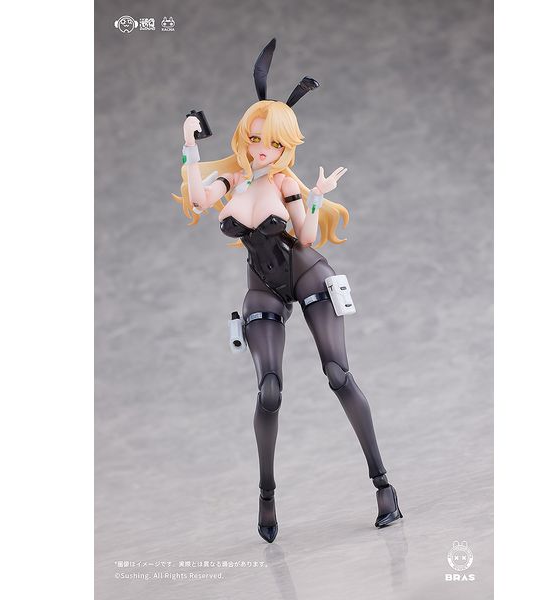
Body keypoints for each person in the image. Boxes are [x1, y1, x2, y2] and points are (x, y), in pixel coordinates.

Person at [173, 39, 402, 543]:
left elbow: (307, 237)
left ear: (285, 147)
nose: (263, 149)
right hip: (262, 286)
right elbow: (197, 198)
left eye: (274, 144)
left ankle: (384, 485)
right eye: (257, 138)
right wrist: (190, 143)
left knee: (338, 374)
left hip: (305, 272)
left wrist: (314, 198)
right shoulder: (231, 180)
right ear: (244, 135)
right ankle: (267, 496)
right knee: (269, 391)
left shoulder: (284, 182)